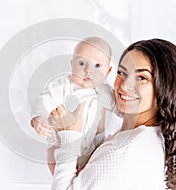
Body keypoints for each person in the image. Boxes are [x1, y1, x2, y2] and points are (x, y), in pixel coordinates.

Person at [50, 39, 176, 190]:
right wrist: (98, 131)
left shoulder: (123, 149)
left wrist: (69, 135)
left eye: (141, 77)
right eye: (122, 73)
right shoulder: (148, 137)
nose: (124, 85)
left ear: (165, 88)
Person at [30, 37, 120, 175]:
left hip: (91, 149)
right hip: (60, 148)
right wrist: (39, 118)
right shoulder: (63, 86)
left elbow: (121, 109)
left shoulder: (104, 91)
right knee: (61, 173)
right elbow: (44, 100)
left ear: (107, 72)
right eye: (82, 63)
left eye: (97, 65)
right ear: (72, 64)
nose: (88, 70)